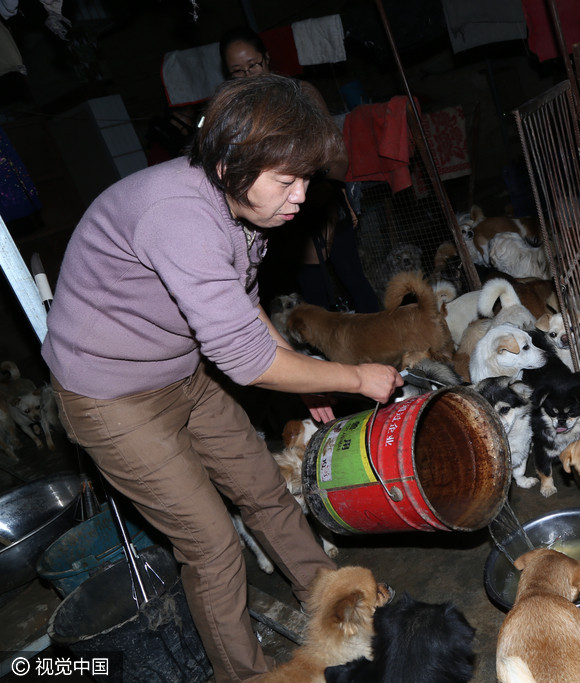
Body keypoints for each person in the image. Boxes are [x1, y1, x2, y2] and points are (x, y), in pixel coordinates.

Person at [41, 75, 403, 682]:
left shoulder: (239, 208)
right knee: (210, 544)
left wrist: (307, 377)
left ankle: (337, 604)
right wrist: (351, 376)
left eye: (307, 180)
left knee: (263, 487)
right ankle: (248, 676)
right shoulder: (179, 215)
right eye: (286, 181)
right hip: (112, 396)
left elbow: (244, 310)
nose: (299, 196)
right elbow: (246, 359)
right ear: (233, 160)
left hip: (184, 367)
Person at [220, 26, 380, 313]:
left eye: (253, 65)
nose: (248, 75)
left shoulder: (300, 93)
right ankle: (326, 358)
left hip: (319, 199)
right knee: (313, 294)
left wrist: (328, 196)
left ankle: (387, 348)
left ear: (267, 58)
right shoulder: (238, 112)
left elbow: (333, 150)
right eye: (237, 71)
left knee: (353, 280)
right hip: (278, 213)